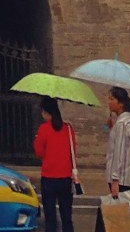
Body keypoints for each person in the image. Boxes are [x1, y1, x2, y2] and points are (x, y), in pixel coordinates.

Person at [32, 97, 77, 232]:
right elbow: (72, 152)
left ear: (45, 112)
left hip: (49, 178)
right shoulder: (69, 129)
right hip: (65, 178)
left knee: (50, 218)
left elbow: (39, 153)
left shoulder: (43, 129)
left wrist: (36, 140)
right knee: (66, 217)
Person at [103, 87, 130, 221]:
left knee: (121, 219)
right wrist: (109, 127)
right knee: (127, 217)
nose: (108, 102)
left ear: (121, 103)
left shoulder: (122, 125)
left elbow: (119, 154)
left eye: (112, 99)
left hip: (120, 180)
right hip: (128, 177)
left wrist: (115, 180)